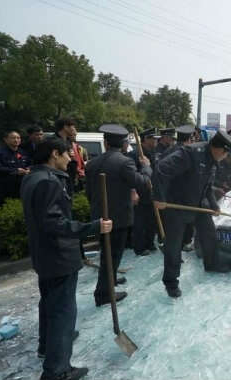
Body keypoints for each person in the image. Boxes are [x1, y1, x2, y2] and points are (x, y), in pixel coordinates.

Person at [20, 136, 113, 380]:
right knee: (63, 313)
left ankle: (46, 347)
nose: (71, 158)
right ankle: (57, 371)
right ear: (54, 154)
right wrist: (92, 227)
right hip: (59, 256)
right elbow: (54, 223)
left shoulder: (31, 177)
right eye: (66, 154)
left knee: (49, 305)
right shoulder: (48, 182)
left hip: (45, 255)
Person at [153, 129, 231, 298]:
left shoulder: (212, 160)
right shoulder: (190, 153)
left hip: (199, 205)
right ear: (219, 149)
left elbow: (206, 187)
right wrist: (159, 197)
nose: (225, 158)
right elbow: (161, 169)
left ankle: (212, 264)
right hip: (177, 205)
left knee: (209, 234)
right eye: (226, 153)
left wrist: (214, 205)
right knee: (174, 246)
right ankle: (171, 282)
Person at [85, 124, 151, 307]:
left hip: (100, 216)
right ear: (123, 144)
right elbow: (142, 182)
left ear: (105, 143)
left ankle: (111, 280)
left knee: (108, 253)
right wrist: (146, 168)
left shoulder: (92, 163)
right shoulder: (124, 162)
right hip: (118, 218)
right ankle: (103, 293)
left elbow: (88, 193)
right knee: (111, 256)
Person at [128, 128, 158, 256]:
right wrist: (133, 192)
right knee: (139, 222)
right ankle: (139, 247)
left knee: (152, 220)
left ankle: (149, 243)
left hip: (151, 193)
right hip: (140, 193)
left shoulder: (151, 153)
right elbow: (130, 176)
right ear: (146, 139)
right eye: (153, 139)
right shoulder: (134, 155)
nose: (155, 141)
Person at [0, 130, 31, 206]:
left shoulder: (23, 152)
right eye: (13, 138)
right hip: (5, 187)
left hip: (22, 186)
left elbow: (30, 164)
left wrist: (29, 168)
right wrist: (15, 171)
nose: (16, 140)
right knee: (4, 208)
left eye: (18, 138)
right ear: (5, 139)